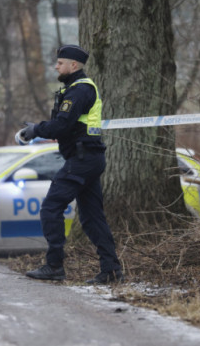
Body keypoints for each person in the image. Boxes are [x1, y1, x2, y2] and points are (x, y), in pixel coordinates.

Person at [20, 44, 123, 284]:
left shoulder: (80, 90)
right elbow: (65, 125)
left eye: (60, 63)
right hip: (87, 158)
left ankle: (54, 266)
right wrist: (38, 128)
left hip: (83, 159)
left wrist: (36, 129)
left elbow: (62, 126)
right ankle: (111, 270)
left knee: (50, 208)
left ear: (73, 65)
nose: (56, 66)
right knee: (92, 218)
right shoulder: (76, 89)